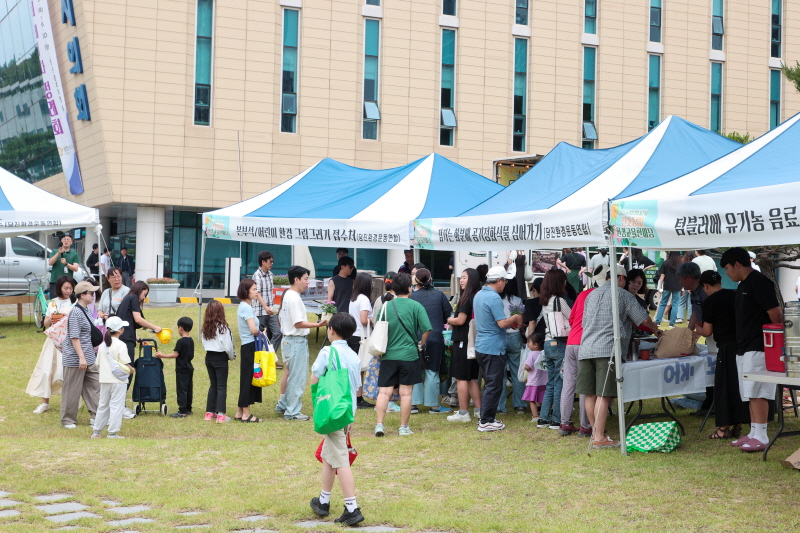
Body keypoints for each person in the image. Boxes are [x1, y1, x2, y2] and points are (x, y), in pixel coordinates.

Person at [578, 265, 660, 449]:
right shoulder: (623, 294)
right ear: (621, 278)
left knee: (589, 394)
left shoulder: (591, 294)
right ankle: (599, 437)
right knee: (603, 394)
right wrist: (655, 328)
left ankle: (596, 433)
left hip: (586, 347)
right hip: (607, 348)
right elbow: (643, 319)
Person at [721, 247, 783, 452]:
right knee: (749, 392)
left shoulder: (759, 282)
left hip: (759, 345)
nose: (727, 273)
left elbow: (776, 314)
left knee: (758, 391)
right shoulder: (743, 284)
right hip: (744, 345)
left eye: (728, 268)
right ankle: (754, 432)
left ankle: (762, 435)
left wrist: (772, 339)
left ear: (738, 264)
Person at [309, 313, 364, 526]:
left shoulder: (327, 351)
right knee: (329, 456)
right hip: (348, 411)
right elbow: (356, 385)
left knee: (340, 459)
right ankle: (323, 500)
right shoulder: (353, 354)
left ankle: (352, 508)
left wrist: (317, 401)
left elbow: (315, 375)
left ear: (331, 330)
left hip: (333, 412)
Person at [373, 272, 431, 437]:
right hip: (409, 355)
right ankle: (403, 427)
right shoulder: (416, 306)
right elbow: (426, 328)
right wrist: (421, 343)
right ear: (409, 288)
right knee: (406, 393)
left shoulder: (385, 306)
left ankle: (379, 425)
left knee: (384, 392)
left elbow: (378, 327)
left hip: (388, 355)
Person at [695, 270, 750, 440]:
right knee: (738, 385)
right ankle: (738, 425)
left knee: (723, 387)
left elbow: (707, 331)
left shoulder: (710, 301)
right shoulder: (734, 295)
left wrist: (697, 328)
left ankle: (723, 428)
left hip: (725, 347)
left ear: (704, 285)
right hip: (742, 345)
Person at [472, 266, 524, 432]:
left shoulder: (479, 294)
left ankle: (487, 417)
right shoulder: (494, 297)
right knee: (494, 385)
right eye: (505, 280)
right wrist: (515, 317)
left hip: (482, 344)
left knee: (490, 384)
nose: (505, 284)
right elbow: (501, 323)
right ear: (499, 280)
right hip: (493, 346)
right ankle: (486, 420)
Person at [278, 266, 328, 421]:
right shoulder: (293, 298)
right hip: (295, 341)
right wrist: (317, 325)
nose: (308, 283)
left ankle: (284, 405)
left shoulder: (289, 295)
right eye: (306, 279)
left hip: (290, 341)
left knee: (293, 375)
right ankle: (292, 412)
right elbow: (298, 323)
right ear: (296, 279)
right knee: (297, 378)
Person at [559, 265, 600, 437]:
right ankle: (585, 425)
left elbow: (572, 318)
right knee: (585, 386)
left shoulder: (583, 294)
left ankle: (565, 423)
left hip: (571, 343)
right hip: (586, 344)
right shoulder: (603, 296)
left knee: (568, 384)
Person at [27, 276, 77, 413]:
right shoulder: (52, 303)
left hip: (67, 340)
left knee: (64, 373)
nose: (68, 291)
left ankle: (69, 402)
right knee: (46, 370)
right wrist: (49, 320)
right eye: (66, 288)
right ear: (59, 288)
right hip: (52, 340)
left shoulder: (74, 302)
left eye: (70, 288)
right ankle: (45, 402)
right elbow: (46, 324)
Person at [60, 280, 103, 429]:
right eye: (91, 293)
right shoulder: (76, 312)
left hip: (88, 356)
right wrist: (81, 357)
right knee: (72, 389)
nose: (94, 295)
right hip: (76, 358)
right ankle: (68, 420)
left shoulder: (85, 310)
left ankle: (96, 416)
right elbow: (74, 337)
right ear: (82, 295)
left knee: (95, 385)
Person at [410, 268, 452, 414]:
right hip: (435, 337)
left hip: (416, 337)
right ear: (430, 279)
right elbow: (449, 315)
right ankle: (433, 405)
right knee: (432, 370)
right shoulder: (440, 295)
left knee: (416, 370)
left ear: (416, 280)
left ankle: (413, 405)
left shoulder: (412, 297)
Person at [536, 269, 571, 429]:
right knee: (559, 383)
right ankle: (556, 419)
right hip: (559, 343)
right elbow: (572, 317)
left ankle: (543, 417)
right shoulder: (559, 301)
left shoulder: (545, 300)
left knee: (550, 382)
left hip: (548, 343)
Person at [446, 268, 482, 422]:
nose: (461, 280)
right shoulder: (477, 296)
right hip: (474, 341)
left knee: (461, 378)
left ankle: (463, 413)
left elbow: (460, 320)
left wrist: (449, 320)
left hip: (463, 341)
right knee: (471, 378)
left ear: (472, 280)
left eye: (464, 278)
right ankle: (479, 410)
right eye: (461, 278)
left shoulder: (466, 298)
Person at [677, 261, 714, 414]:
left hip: (714, 334)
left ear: (689, 277)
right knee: (710, 369)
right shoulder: (693, 292)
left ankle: (712, 405)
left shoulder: (705, 291)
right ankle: (709, 403)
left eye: (680, 278)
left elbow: (711, 315)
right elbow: (694, 313)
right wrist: (688, 332)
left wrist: (700, 331)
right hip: (707, 334)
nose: (679, 282)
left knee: (715, 370)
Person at [91, 316, 134, 439]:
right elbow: (125, 363)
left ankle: (97, 431)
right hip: (118, 380)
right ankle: (112, 432)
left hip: (104, 379)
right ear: (120, 330)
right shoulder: (121, 344)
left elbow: (98, 364)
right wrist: (132, 369)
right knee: (116, 406)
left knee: (103, 405)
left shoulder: (102, 345)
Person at [200, 300, 235, 423]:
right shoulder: (223, 328)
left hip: (209, 357)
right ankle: (221, 415)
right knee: (221, 386)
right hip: (220, 357)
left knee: (213, 385)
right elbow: (228, 346)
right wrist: (231, 356)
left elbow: (204, 343)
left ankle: (209, 413)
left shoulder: (205, 328)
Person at [498, 268, 526, 415]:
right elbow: (519, 322)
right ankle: (520, 405)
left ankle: (500, 407)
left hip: (499, 337)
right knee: (517, 372)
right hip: (514, 336)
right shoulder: (516, 300)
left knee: (499, 374)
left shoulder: (495, 299)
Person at [156, 317, 195, 418]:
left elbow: (175, 355)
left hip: (181, 369)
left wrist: (162, 355)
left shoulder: (181, 341)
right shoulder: (191, 340)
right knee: (188, 389)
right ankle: (188, 408)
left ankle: (182, 411)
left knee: (181, 389)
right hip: (189, 368)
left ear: (180, 328)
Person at [236, 279, 262, 423]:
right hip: (250, 346)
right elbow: (253, 329)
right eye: (253, 289)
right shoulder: (246, 307)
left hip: (248, 346)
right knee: (248, 380)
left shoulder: (244, 306)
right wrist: (262, 332)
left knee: (247, 378)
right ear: (246, 291)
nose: (256, 291)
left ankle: (240, 411)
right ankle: (246, 413)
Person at [348, 272, 375, 409]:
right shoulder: (364, 299)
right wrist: (373, 320)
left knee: (356, 368)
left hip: (353, 335)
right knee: (360, 368)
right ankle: (358, 398)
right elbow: (364, 320)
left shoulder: (354, 297)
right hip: (361, 336)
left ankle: (356, 396)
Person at [252, 251, 283, 357]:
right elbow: (257, 293)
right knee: (260, 336)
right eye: (270, 261)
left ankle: (270, 357)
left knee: (278, 333)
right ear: (263, 262)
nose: (272, 263)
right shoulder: (257, 275)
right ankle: (260, 360)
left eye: (272, 261)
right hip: (260, 311)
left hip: (271, 311)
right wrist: (265, 307)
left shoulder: (270, 275)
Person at [522, 332, 547, 421]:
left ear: (536, 345)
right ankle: (543, 412)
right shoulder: (545, 353)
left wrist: (524, 367)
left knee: (531, 399)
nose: (528, 344)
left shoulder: (532, 354)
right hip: (544, 381)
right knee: (542, 398)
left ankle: (535, 416)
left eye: (529, 342)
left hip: (533, 382)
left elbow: (528, 367)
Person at [655, 252, 683, 326]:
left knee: (663, 303)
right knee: (675, 305)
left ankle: (658, 321)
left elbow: (662, 275)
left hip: (667, 286)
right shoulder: (681, 263)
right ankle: (672, 323)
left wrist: (660, 286)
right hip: (677, 286)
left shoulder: (666, 262)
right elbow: (682, 276)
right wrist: (682, 288)